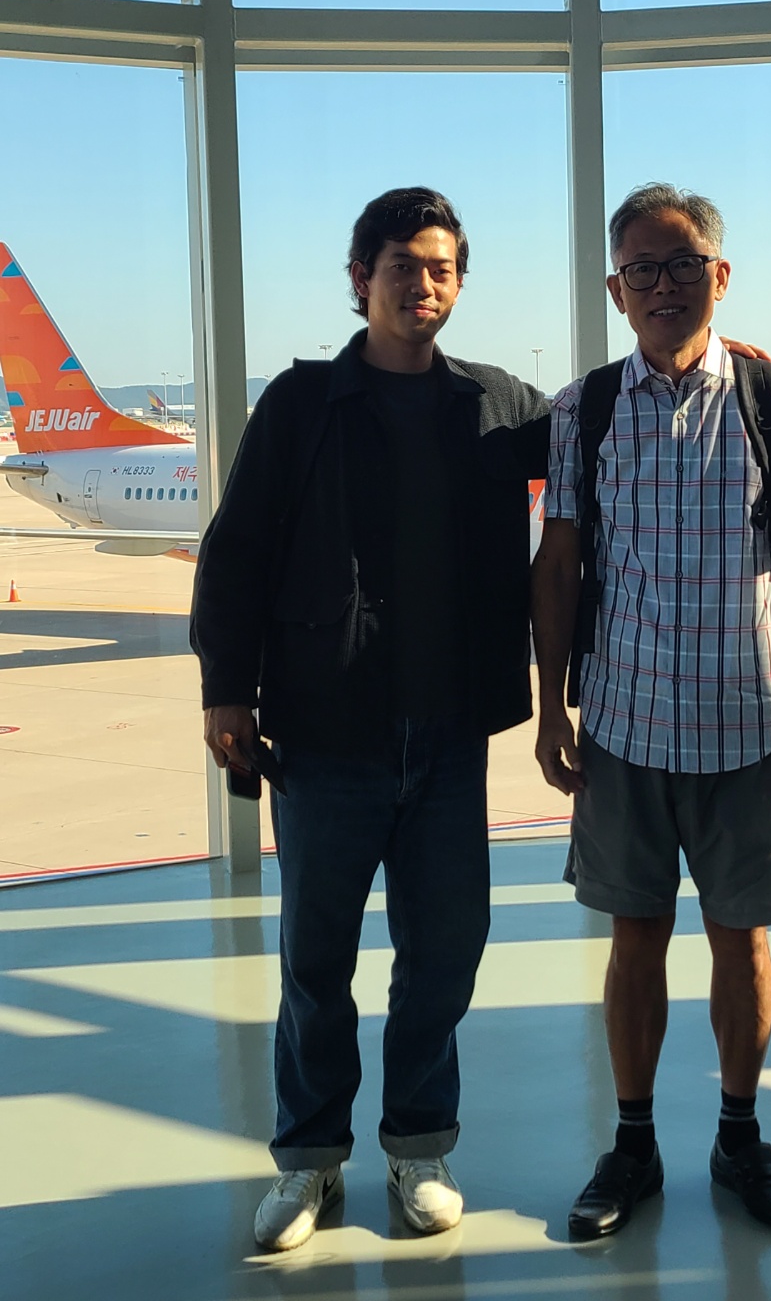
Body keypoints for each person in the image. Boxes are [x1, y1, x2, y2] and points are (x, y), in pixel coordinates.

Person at [190, 187, 551, 1251]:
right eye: (403, 266)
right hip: (325, 731)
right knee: (316, 962)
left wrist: (706, 353)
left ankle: (418, 1146)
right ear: (361, 279)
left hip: (448, 735)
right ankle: (309, 1161)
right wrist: (225, 686)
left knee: (444, 952)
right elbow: (237, 549)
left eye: (441, 268)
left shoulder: (495, 402)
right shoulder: (302, 404)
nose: (423, 285)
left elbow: (601, 419)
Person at [531, 183, 771, 1238]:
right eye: (641, 270)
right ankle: (633, 1145)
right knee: (634, 940)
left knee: (740, 943)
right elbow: (559, 564)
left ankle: (739, 1135)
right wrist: (550, 710)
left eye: (682, 265)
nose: (662, 286)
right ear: (615, 290)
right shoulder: (585, 409)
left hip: (744, 723)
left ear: (720, 275)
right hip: (623, 723)